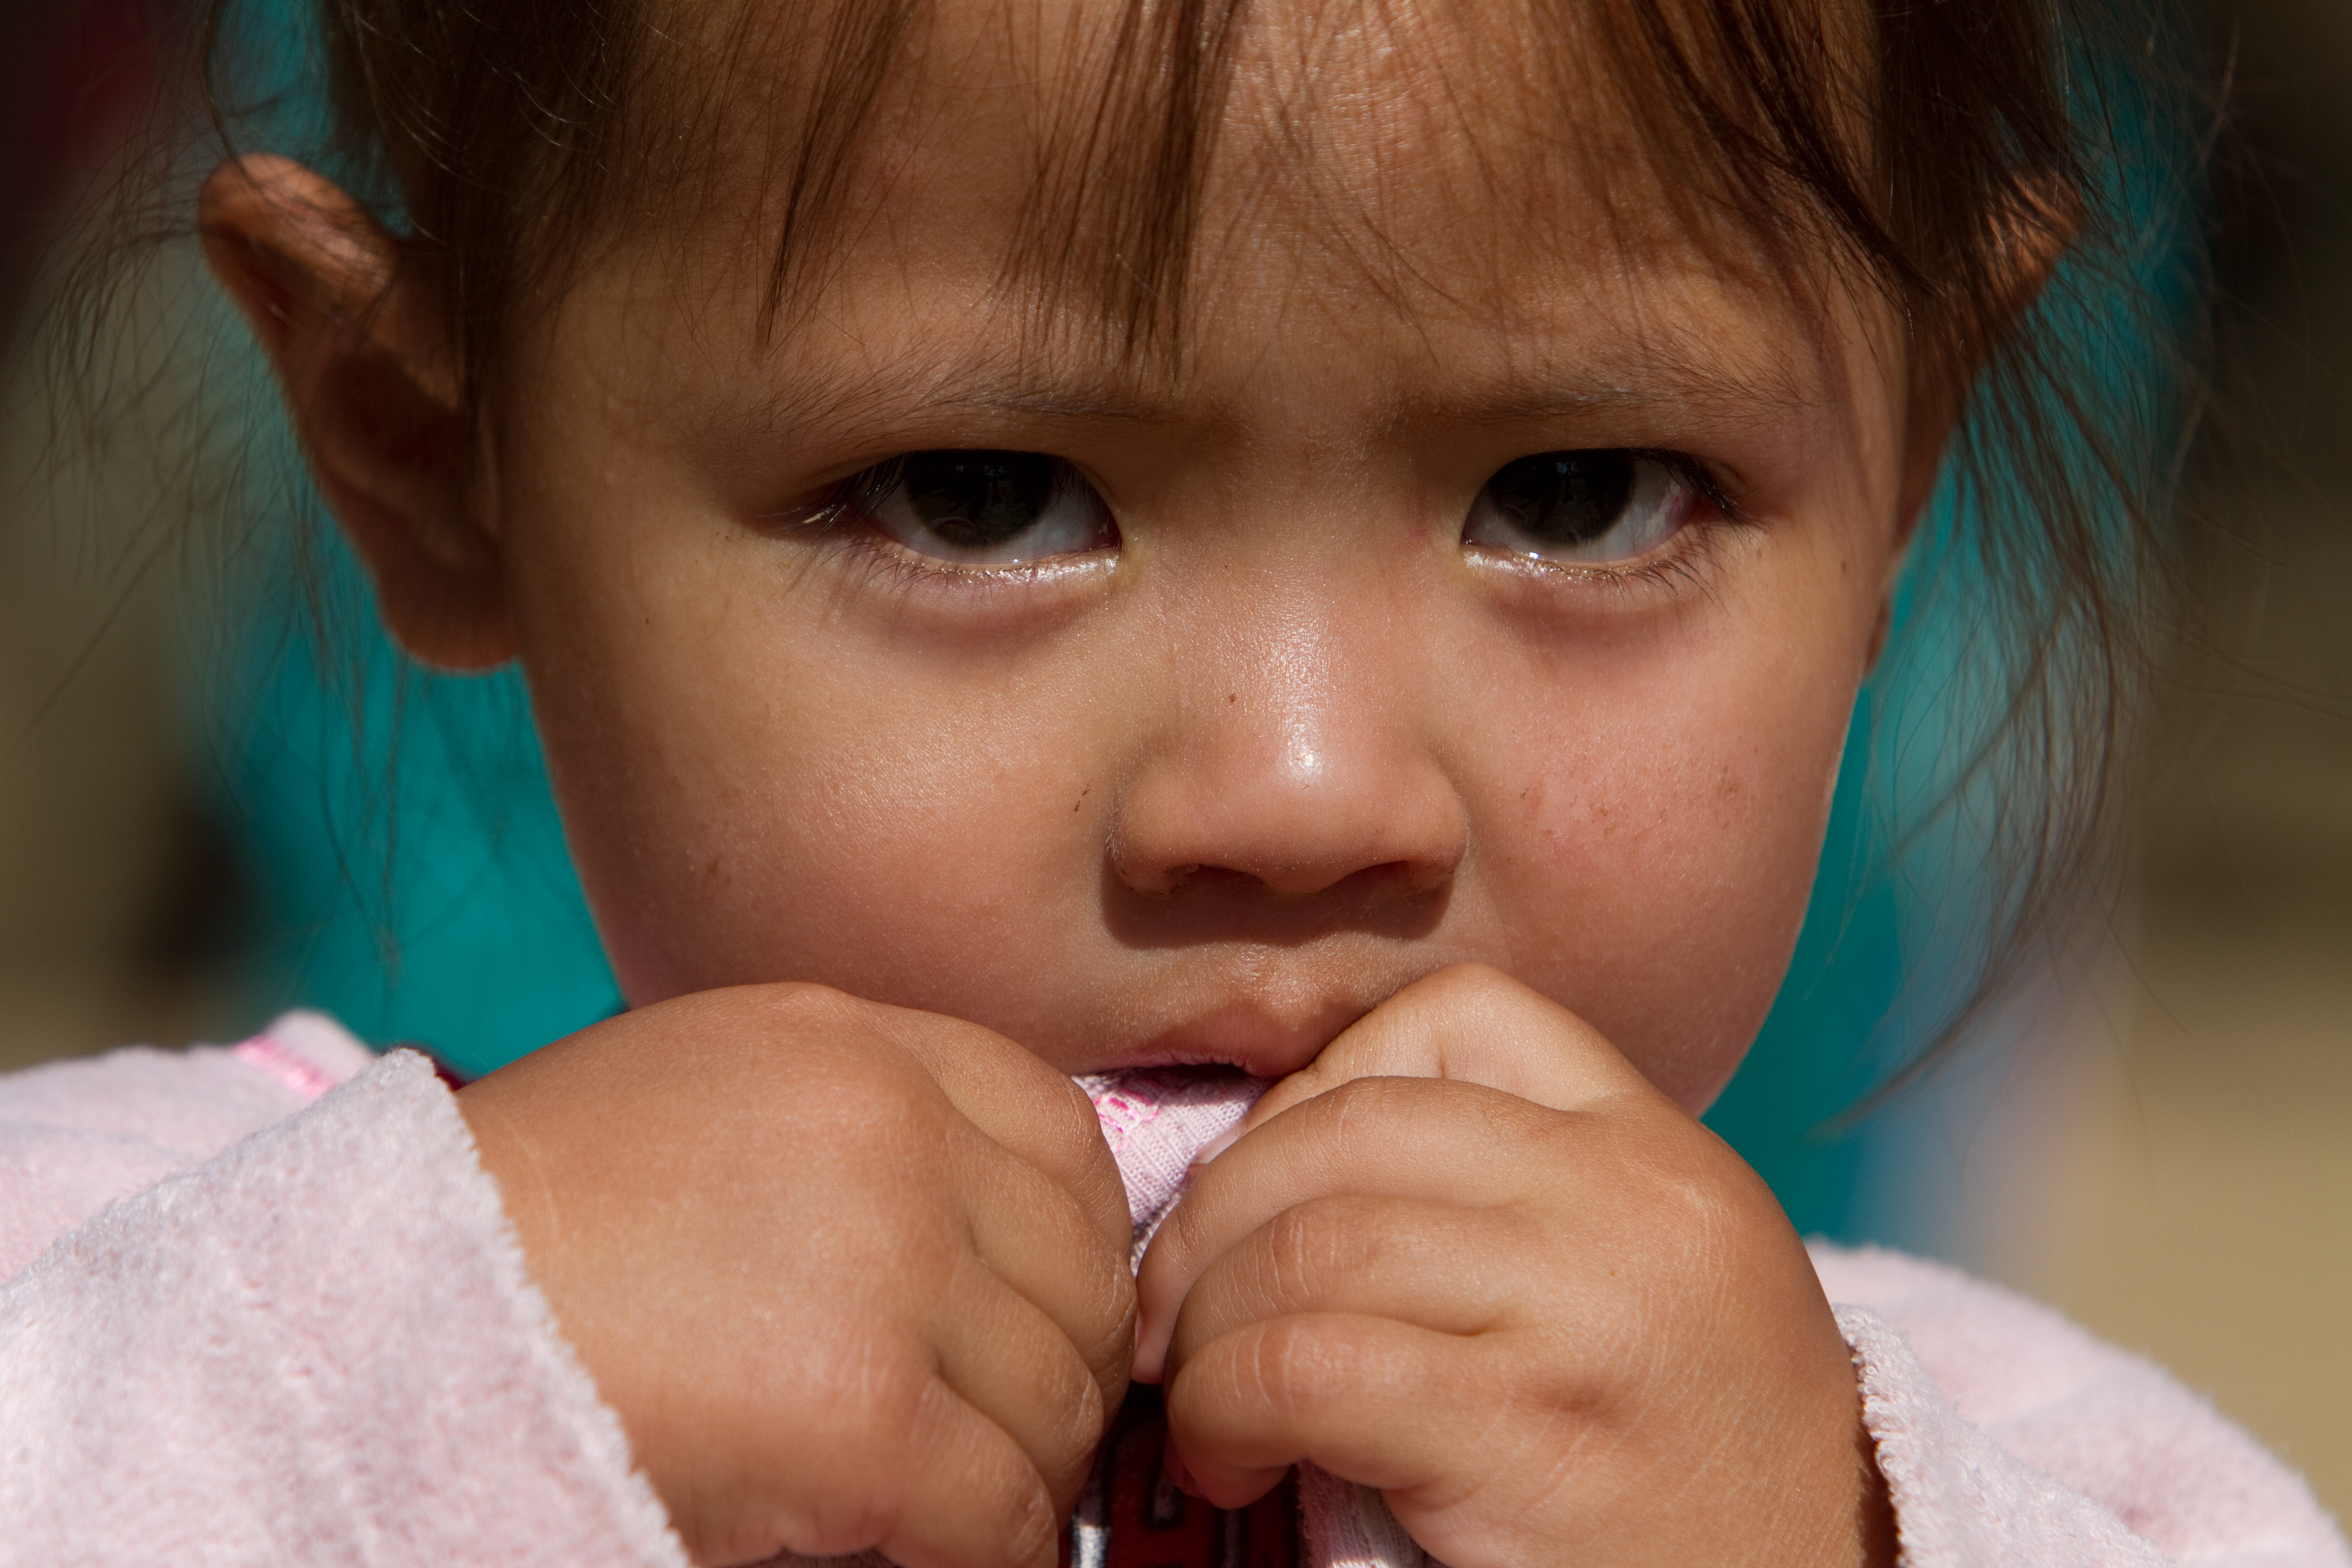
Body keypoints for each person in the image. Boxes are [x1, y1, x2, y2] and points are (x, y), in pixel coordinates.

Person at [1, 0, 2342, 1564]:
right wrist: (423, 1405)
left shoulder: (1995, 1473)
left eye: (1583, 492)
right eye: (985, 498)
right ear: (434, 460)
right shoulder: (147, 1304)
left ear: (1903, 465)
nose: (1305, 792)